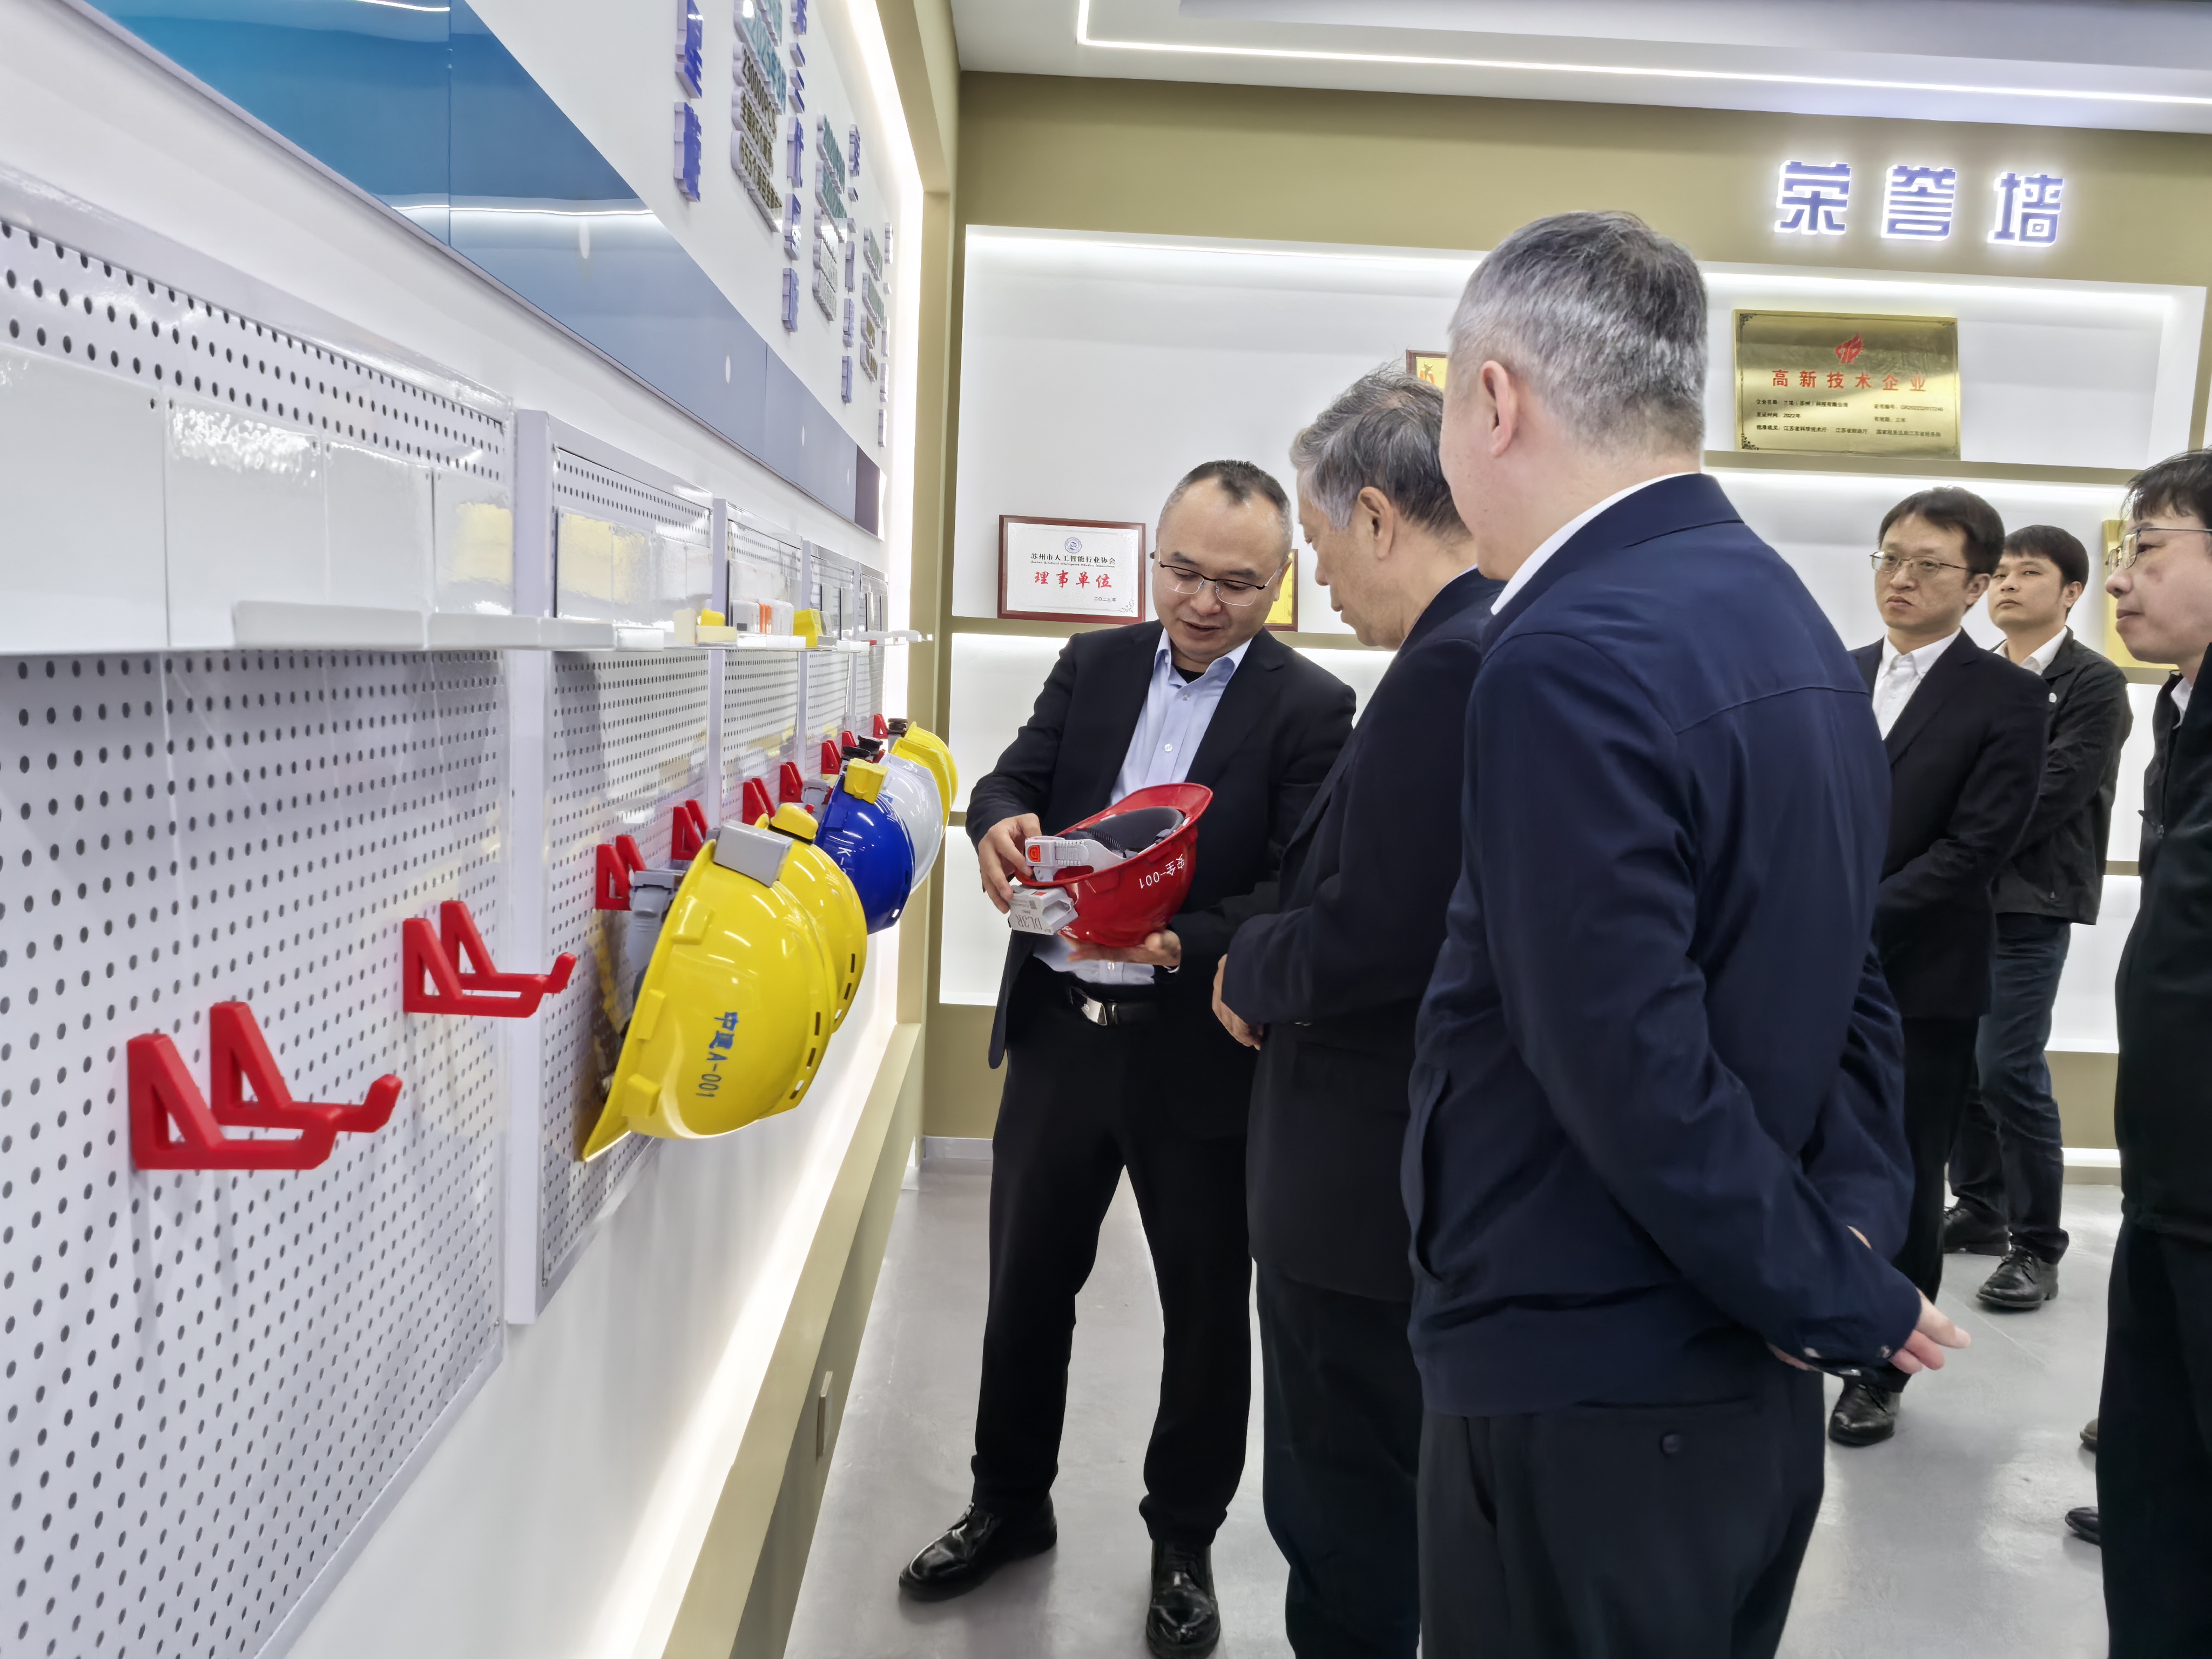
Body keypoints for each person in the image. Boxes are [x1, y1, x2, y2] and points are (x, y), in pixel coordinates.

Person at [1408, 209, 1962, 1659]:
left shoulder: (1562, 651)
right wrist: (1843, 1231)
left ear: (1493, 400)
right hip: (1733, 1381)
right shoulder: (1782, 615)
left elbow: (1624, 1063)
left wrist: (1822, 1280)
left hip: (1583, 1377)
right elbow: (1850, 976)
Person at [899, 459, 1355, 1659]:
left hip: (1194, 1051)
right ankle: (1009, 1503)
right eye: (1182, 571)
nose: (1202, 602)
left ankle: (1183, 1541)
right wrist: (995, 817)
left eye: (1236, 584)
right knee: (1024, 1286)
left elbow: (1295, 887)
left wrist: (1180, 942)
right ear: (1155, 556)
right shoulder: (1095, 663)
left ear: (1280, 582)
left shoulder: (1312, 709)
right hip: (1060, 1035)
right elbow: (1017, 773)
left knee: (1203, 1311)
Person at [1184, 369, 1500, 1659]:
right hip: (1385, 1172)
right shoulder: (1469, 646)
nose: (1313, 577)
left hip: (1356, 1181)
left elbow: (1381, 930)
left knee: (1345, 1508)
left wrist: (1245, 965)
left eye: (1313, 544)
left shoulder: (1447, 667)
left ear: (1375, 516)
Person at [1829, 490, 2049, 1447]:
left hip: (1919, 980)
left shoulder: (2008, 697)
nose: (1901, 579)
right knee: (1796, 1155)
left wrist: (1846, 923)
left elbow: (1975, 848)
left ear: (1976, 585)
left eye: (1927, 565)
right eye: (1889, 557)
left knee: (1907, 1174)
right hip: (1805, 974)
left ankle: (1883, 1364)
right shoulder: (1834, 673)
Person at [2087, 449, 2212, 1653]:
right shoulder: (2181, 712)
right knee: (2154, 1486)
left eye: (2148, 550)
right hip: (2170, 1187)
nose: (2118, 580)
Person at [1944, 525, 2132, 1311]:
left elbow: (2052, 791)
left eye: (2029, 573)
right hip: (1955, 898)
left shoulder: (2094, 682)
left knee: (2007, 1068)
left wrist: (1958, 838)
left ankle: (2037, 1245)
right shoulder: (1975, 673)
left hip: (2030, 900)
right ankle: (1981, 1207)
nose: (2008, 585)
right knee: (1957, 1067)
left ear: (2072, 592)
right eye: (2000, 574)